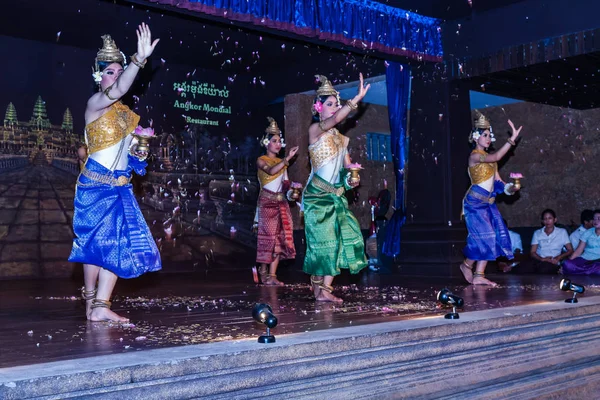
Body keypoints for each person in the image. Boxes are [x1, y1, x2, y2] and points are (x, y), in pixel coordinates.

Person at [69, 24, 161, 322]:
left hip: (121, 185)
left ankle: (101, 306)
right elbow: (120, 90)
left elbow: (130, 153)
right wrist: (139, 59)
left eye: (119, 70)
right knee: (95, 245)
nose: (117, 75)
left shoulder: (125, 114)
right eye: (110, 71)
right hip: (96, 183)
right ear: (99, 77)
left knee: (120, 243)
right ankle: (90, 299)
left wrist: (139, 152)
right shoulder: (95, 104)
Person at [302, 74, 369, 303]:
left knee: (341, 239)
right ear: (318, 108)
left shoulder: (342, 140)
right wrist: (356, 99)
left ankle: (325, 290)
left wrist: (352, 178)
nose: (335, 108)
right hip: (316, 197)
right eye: (330, 104)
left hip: (336, 195)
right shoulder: (315, 130)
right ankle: (319, 283)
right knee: (323, 243)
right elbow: (334, 120)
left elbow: (347, 167)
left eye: (336, 104)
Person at [460, 111, 522, 286]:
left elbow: (499, 183)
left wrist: (511, 188)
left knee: (491, 238)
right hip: (474, 203)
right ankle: (466, 265)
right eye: (485, 135)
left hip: (488, 203)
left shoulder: (492, 163)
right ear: (476, 137)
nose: (488, 139)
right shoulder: (475, 156)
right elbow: (495, 156)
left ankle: (479, 274)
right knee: (484, 238)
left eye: (489, 135)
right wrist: (511, 140)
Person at [253, 117, 299, 286]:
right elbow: (271, 172)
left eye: (280, 141)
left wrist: (292, 194)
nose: (278, 144)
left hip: (281, 203)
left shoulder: (282, 163)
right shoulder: (261, 160)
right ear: (266, 143)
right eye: (274, 141)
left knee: (280, 239)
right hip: (267, 203)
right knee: (268, 239)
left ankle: (272, 275)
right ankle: (263, 270)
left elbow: (285, 185)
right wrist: (287, 159)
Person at [527, 209, 573, 274]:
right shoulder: (537, 233)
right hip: (538, 260)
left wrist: (558, 257)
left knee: (544, 269)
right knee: (523, 268)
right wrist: (542, 259)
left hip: (553, 261)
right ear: (542, 221)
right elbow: (532, 252)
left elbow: (570, 250)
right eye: (545, 219)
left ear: (555, 220)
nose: (547, 221)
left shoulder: (562, 232)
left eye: (550, 218)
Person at [562, 210, 600, 275]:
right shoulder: (587, 232)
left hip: (598, 261)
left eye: (599, 219)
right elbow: (578, 251)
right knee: (567, 264)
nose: (595, 221)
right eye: (594, 219)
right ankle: (589, 271)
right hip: (585, 259)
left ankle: (584, 271)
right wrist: (569, 261)